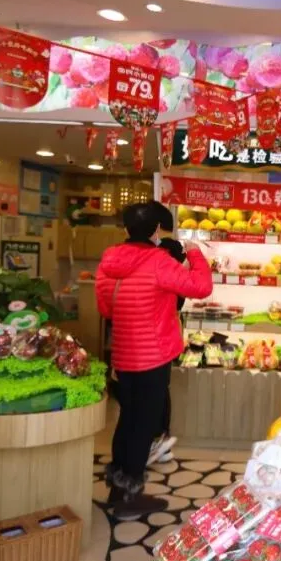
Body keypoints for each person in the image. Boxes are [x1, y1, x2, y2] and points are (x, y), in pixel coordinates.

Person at [96, 202, 213, 518]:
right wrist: (195, 254)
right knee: (144, 426)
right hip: (154, 356)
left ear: (126, 229)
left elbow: (105, 308)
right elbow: (201, 287)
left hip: (123, 354)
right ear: (157, 230)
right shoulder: (158, 261)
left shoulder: (109, 261)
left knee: (127, 420)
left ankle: (117, 488)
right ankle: (129, 498)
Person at [148, 201, 185, 465]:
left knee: (151, 392)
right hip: (165, 333)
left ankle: (156, 440)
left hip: (153, 334)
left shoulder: (162, 257)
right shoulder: (174, 256)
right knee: (159, 388)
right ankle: (159, 441)